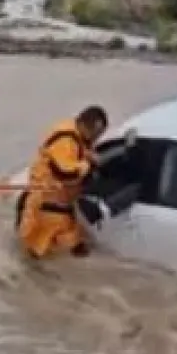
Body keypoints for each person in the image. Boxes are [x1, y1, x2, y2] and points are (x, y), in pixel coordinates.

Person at [17, 106, 108, 260]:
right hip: (44, 209)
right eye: (96, 134)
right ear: (86, 126)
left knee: (72, 255)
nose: (96, 139)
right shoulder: (65, 140)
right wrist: (89, 164)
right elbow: (65, 172)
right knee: (37, 257)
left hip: (63, 211)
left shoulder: (80, 139)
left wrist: (89, 159)